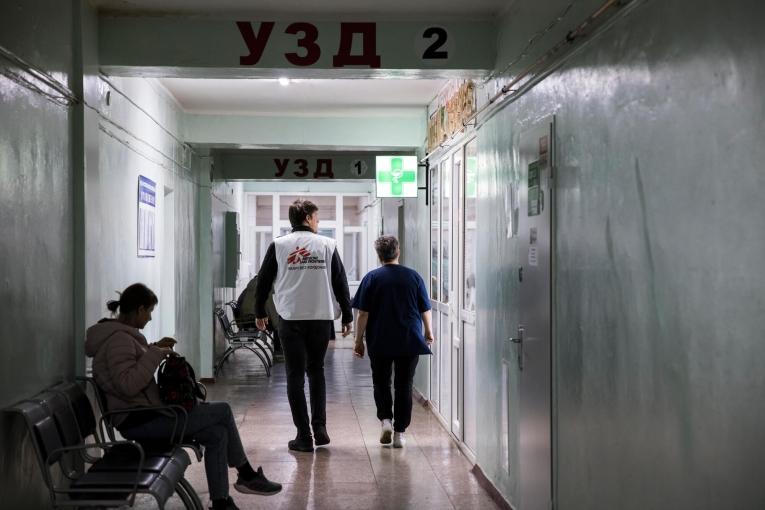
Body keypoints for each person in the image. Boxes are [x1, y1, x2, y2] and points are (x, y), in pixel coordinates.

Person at [85, 283, 281, 510]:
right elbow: (128, 385)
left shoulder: (122, 337)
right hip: (140, 421)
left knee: (217, 434)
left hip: (146, 415)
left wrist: (152, 349)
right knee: (224, 410)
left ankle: (221, 503)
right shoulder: (118, 340)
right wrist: (155, 354)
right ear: (139, 309)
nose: (149, 318)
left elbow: (129, 368)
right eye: (148, 311)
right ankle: (246, 474)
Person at [254, 199, 352, 453]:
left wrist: (259, 311)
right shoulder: (328, 245)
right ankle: (320, 428)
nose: (319, 223)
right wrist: (348, 315)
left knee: (294, 376)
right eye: (317, 218)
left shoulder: (279, 245)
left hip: (290, 318)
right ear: (307, 217)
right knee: (316, 371)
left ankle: (303, 436)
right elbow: (340, 282)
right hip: (320, 318)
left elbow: (263, 281)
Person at [352, 236, 435, 448]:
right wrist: (428, 331)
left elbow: (362, 313)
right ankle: (400, 433)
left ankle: (386, 421)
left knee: (381, 382)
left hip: (380, 339)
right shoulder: (413, 277)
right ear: (398, 252)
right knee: (404, 385)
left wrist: (358, 340)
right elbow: (425, 308)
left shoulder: (371, 278)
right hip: (408, 339)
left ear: (379, 255)